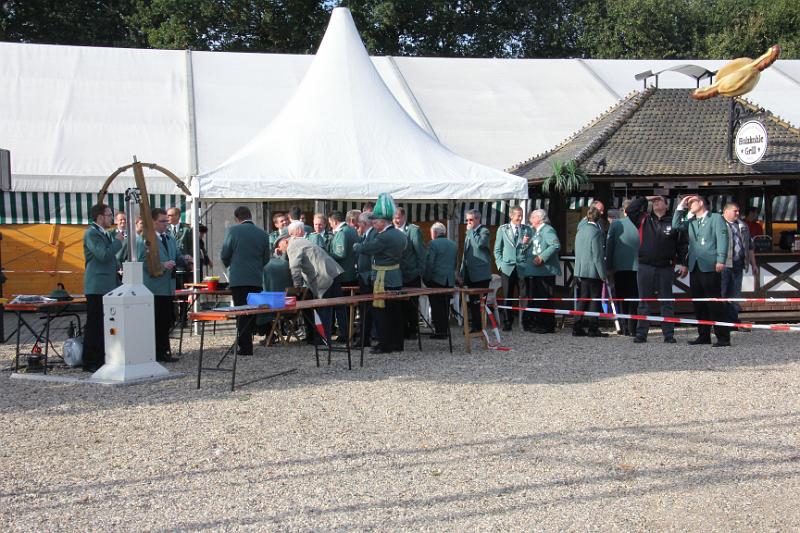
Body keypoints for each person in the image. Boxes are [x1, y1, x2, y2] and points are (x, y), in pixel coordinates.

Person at [626, 195, 688, 344]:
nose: (655, 203)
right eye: (654, 201)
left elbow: (682, 244)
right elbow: (630, 210)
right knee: (644, 302)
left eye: (659, 201)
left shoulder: (673, 221)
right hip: (645, 266)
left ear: (666, 206)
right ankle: (641, 334)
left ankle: (668, 334)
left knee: (666, 302)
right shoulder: (644, 219)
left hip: (665, 267)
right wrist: (646, 198)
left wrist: (684, 263)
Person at [673, 195, 730, 347]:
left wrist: (721, 259)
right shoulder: (691, 221)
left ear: (701, 202)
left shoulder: (715, 218)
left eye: (691, 202)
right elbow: (676, 226)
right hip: (695, 265)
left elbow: (722, 239)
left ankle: (723, 337)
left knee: (714, 302)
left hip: (710, 264)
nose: (689, 205)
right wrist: (680, 206)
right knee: (699, 303)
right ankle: (703, 335)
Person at [353, 194, 407, 354]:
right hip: (395, 276)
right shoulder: (400, 235)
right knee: (395, 312)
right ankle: (397, 343)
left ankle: (385, 344)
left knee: (382, 312)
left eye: (376, 222)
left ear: (383, 221)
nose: (374, 225)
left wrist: (356, 246)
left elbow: (368, 248)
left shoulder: (384, 237)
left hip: (383, 278)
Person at [137, 208, 190, 362]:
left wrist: (185, 258)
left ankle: (164, 352)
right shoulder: (145, 239)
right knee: (155, 322)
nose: (166, 224)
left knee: (166, 321)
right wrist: (162, 265)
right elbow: (141, 262)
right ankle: (154, 353)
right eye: (162, 221)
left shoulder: (170, 238)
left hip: (168, 287)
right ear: (153, 222)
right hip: (153, 287)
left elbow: (176, 256)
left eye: (166, 221)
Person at [221, 206, 270, 355]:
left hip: (238, 278)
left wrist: (231, 265)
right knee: (252, 311)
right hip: (255, 278)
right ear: (250, 216)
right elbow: (266, 258)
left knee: (241, 311)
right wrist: (256, 267)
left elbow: (225, 254)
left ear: (237, 218)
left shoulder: (232, 231)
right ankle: (246, 343)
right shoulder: (263, 234)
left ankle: (245, 346)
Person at [285, 220, 345, 343]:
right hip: (334, 271)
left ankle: (324, 338)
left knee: (323, 307)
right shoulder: (305, 241)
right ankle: (345, 336)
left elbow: (295, 266)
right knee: (339, 306)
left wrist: (297, 285)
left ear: (294, 233)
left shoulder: (293, 243)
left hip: (323, 277)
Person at [82, 203, 125, 372]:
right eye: (109, 215)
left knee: (104, 324)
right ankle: (90, 360)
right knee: (95, 324)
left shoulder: (103, 233)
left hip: (107, 285)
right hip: (97, 286)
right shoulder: (92, 233)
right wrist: (117, 242)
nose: (111, 218)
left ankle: (101, 357)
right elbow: (104, 255)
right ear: (100, 217)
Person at [493, 206, 533, 331]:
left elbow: (531, 249)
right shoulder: (502, 229)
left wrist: (526, 243)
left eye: (521, 216)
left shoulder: (527, 229)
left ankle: (525, 322)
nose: (520, 218)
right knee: (507, 296)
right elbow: (497, 249)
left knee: (524, 296)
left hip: (522, 267)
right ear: (511, 216)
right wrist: (500, 265)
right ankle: (507, 322)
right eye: (518, 216)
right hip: (507, 268)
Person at [606, 200, 640, 336]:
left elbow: (609, 246)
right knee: (635, 299)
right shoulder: (640, 223)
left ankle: (624, 327)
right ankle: (633, 328)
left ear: (624, 211)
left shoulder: (616, 224)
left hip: (619, 267)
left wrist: (608, 266)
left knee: (621, 299)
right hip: (637, 267)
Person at [573, 206, 608, 338]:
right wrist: (603, 274)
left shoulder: (580, 231)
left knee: (583, 299)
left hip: (581, 269)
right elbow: (597, 256)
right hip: (593, 270)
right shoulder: (596, 232)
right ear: (598, 218)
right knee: (594, 299)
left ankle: (577, 326)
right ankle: (593, 328)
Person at [722, 202, 758, 325]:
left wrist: (753, 264)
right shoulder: (718, 224)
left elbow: (750, 247)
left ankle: (733, 321)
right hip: (723, 264)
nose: (737, 213)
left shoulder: (743, 225)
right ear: (726, 211)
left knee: (735, 294)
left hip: (738, 264)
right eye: (735, 211)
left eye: (738, 211)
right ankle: (721, 322)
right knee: (722, 293)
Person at [526, 209, 560, 334]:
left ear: (539, 219)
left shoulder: (548, 230)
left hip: (546, 272)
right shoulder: (535, 231)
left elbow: (555, 245)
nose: (530, 219)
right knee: (538, 299)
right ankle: (538, 323)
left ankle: (547, 325)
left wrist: (542, 257)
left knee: (545, 299)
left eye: (533, 217)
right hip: (536, 272)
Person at [394, 207, 425, 340]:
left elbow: (420, 253)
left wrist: (419, 271)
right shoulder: (392, 230)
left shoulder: (413, 230)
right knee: (399, 304)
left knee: (412, 303)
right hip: (397, 274)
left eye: (398, 218)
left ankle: (413, 329)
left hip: (412, 274)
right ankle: (402, 329)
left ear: (404, 217)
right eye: (394, 218)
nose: (396, 221)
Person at [458, 209, 492, 333]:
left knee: (479, 303)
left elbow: (480, 244)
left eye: (471, 220)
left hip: (481, 275)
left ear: (478, 219)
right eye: (467, 220)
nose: (468, 222)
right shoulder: (470, 233)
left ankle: (479, 327)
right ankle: (475, 326)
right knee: (472, 302)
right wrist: (461, 272)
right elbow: (465, 255)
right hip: (470, 274)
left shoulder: (484, 231)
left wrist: (471, 231)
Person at [258, 232, 294, 345]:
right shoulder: (285, 263)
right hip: (291, 305)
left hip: (274, 307)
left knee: (254, 302)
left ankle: (269, 334)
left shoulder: (264, 267)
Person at [423, 222, 457, 338]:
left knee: (437, 307)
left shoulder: (433, 244)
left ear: (435, 233)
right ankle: (444, 330)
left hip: (436, 279)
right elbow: (455, 264)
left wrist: (426, 279)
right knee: (445, 306)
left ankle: (440, 332)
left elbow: (430, 263)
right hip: (449, 280)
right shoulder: (453, 244)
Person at [328, 210, 359, 338]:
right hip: (352, 273)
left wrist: (326, 255)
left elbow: (340, 253)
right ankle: (349, 332)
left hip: (343, 275)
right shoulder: (352, 230)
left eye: (330, 223)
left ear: (335, 221)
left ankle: (345, 334)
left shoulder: (342, 233)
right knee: (350, 308)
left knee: (342, 307)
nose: (330, 225)